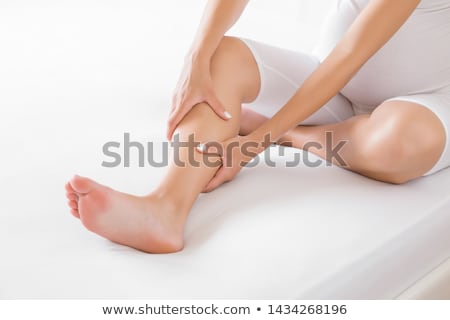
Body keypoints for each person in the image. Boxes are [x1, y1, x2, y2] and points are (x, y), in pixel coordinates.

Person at [65, 0, 450, 253]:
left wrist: (261, 141)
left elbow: (351, 54)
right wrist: (197, 57)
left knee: (405, 141)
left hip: (424, 100)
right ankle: (165, 208)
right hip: (334, 91)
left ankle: (291, 135)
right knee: (224, 57)